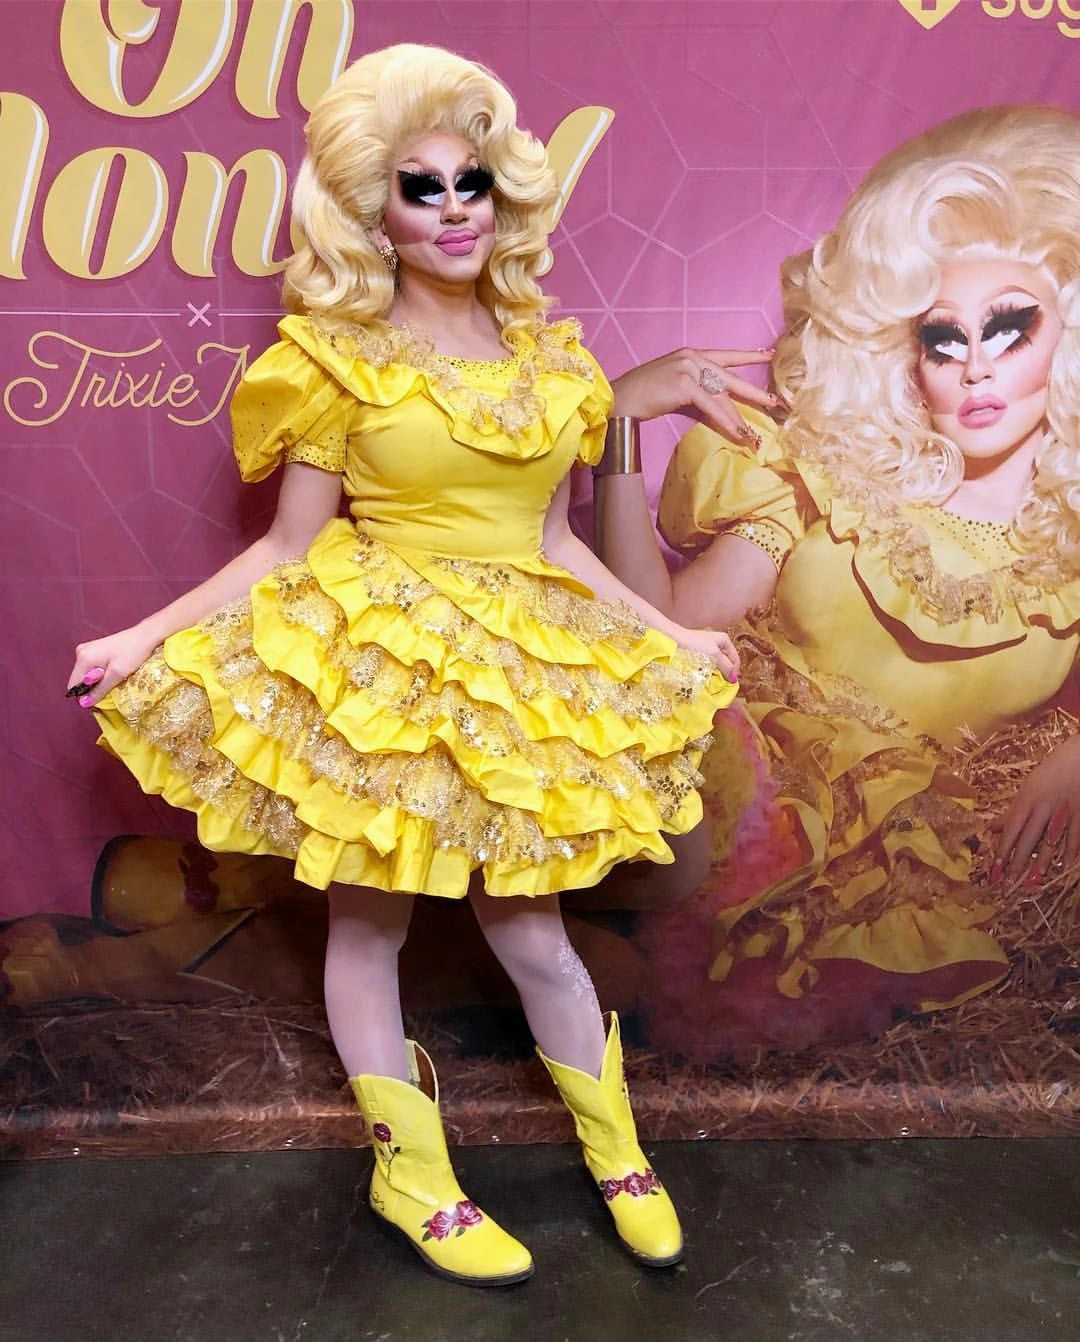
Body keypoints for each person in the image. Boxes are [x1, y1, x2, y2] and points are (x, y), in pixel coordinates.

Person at [66, 44, 747, 1285]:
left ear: (502, 195)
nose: (451, 209)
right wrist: (140, 635)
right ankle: (414, 1177)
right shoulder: (337, 359)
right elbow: (287, 546)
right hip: (387, 663)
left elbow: (553, 543)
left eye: (469, 182)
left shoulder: (553, 360)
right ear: (376, 213)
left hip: (518, 669)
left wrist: (671, 636)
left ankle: (619, 1158)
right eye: (420, 188)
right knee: (368, 919)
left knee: (531, 931)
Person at [595, 105, 1080, 1052]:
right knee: (620, 968)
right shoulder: (825, 481)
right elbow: (656, 630)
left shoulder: (1069, 545)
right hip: (740, 808)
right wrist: (613, 429)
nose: (975, 370)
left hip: (918, 869)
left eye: (1010, 330)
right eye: (945, 340)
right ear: (908, 359)